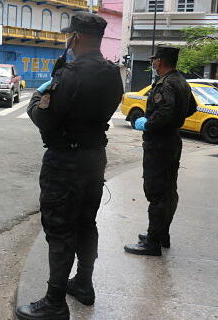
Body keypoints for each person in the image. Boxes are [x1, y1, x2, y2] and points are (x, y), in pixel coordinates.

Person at [15, 12, 123, 320]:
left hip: (65, 162)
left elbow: (46, 120)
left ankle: (54, 302)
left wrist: (37, 98)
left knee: (60, 229)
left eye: (69, 37)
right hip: (93, 159)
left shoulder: (70, 74)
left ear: (75, 38)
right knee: (87, 223)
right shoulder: (112, 73)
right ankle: (84, 284)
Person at [124, 46, 196, 256]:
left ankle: (152, 242)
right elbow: (190, 108)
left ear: (160, 61)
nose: (152, 63)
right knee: (168, 190)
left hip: (160, 144)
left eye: (154, 60)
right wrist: (175, 119)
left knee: (156, 192)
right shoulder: (181, 81)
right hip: (172, 141)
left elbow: (163, 113)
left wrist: (148, 123)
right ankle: (161, 234)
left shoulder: (166, 84)